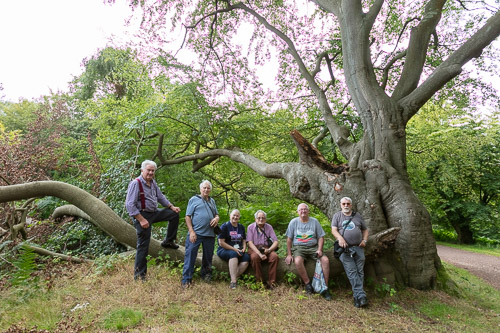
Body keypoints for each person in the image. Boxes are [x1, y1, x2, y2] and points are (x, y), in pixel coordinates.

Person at [125, 160, 181, 280]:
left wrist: (171, 206)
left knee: (174, 214)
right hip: (142, 216)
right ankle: (139, 276)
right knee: (143, 246)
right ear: (142, 170)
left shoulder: (152, 182)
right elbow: (130, 205)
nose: (150, 173)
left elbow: (160, 197)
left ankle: (169, 241)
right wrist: (141, 220)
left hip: (154, 213)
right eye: (148, 170)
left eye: (152, 171)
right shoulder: (136, 183)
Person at [285, 203, 332, 300]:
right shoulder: (293, 222)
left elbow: (321, 237)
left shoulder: (314, 221)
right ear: (298, 212)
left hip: (313, 247)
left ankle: (325, 287)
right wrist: (289, 254)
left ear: (308, 211)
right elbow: (289, 239)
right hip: (299, 248)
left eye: (305, 209)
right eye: (301, 210)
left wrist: (319, 249)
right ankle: (308, 284)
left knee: (325, 260)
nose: (303, 211)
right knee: (297, 261)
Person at [331, 197, 369, 308]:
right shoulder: (337, 216)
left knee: (359, 272)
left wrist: (365, 240)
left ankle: (356, 297)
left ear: (351, 205)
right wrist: (340, 239)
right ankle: (362, 296)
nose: (346, 205)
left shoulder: (357, 216)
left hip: (358, 247)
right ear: (340, 205)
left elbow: (365, 230)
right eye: (344, 204)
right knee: (352, 271)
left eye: (348, 203)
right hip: (345, 249)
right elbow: (333, 230)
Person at [181, 180, 220, 288]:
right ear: (200, 189)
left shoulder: (212, 201)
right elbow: (187, 216)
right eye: (204, 188)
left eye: (208, 188)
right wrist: (191, 232)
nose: (206, 190)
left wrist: (216, 218)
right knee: (190, 256)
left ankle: (206, 276)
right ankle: (186, 280)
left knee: (208, 257)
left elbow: (216, 214)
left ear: (210, 190)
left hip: (210, 235)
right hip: (196, 234)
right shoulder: (194, 200)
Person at [217, 209, 250, 289]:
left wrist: (244, 248)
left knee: (246, 258)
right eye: (234, 215)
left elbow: (244, 240)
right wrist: (235, 250)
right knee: (233, 254)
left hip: (238, 249)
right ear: (230, 216)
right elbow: (221, 242)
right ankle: (233, 282)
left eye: (237, 216)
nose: (235, 217)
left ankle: (232, 276)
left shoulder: (241, 227)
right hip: (224, 249)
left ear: (239, 217)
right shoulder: (224, 226)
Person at [246, 209, 279, 289]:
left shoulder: (269, 227)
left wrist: (269, 250)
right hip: (254, 248)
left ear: (265, 219)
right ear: (255, 219)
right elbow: (249, 243)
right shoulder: (250, 227)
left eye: (263, 218)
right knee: (254, 257)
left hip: (266, 248)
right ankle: (260, 282)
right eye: (259, 218)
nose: (261, 219)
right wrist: (260, 254)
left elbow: (276, 241)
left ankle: (272, 283)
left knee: (274, 257)